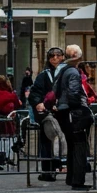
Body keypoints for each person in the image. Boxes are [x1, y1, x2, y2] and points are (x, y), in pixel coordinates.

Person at [53, 44, 94, 191]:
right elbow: (74, 93)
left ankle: (71, 178)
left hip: (64, 112)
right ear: (77, 56)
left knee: (72, 146)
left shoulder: (62, 70)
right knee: (79, 146)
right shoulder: (73, 72)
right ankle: (77, 180)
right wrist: (79, 109)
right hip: (74, 113)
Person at [28, 47, 65, 181]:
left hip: (64, 111)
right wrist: (39, 103)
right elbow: (34, 93)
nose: (55, 58)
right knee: (47, 141)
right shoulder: (44, 75)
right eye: (52, 56)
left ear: (63, 57)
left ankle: (63, 166)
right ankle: (48, 171)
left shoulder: (68, 72)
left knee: (64, 140)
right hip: (48, 114)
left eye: (58, 55)